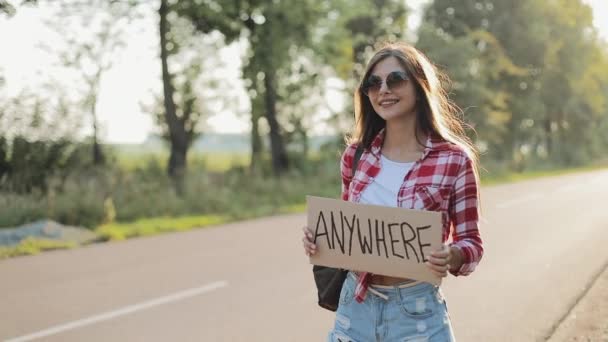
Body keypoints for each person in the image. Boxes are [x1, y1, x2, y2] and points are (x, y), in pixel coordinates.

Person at [302, 42, 484, 341]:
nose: (383, 89)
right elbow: (350, 230)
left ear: (419, 85)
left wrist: (451, 255)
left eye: (395, 80)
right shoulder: (355, 156)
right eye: (373, 83)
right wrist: (320, 240)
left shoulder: (454, 159)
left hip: (417, 314)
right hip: (355, 309)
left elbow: (472, 244)